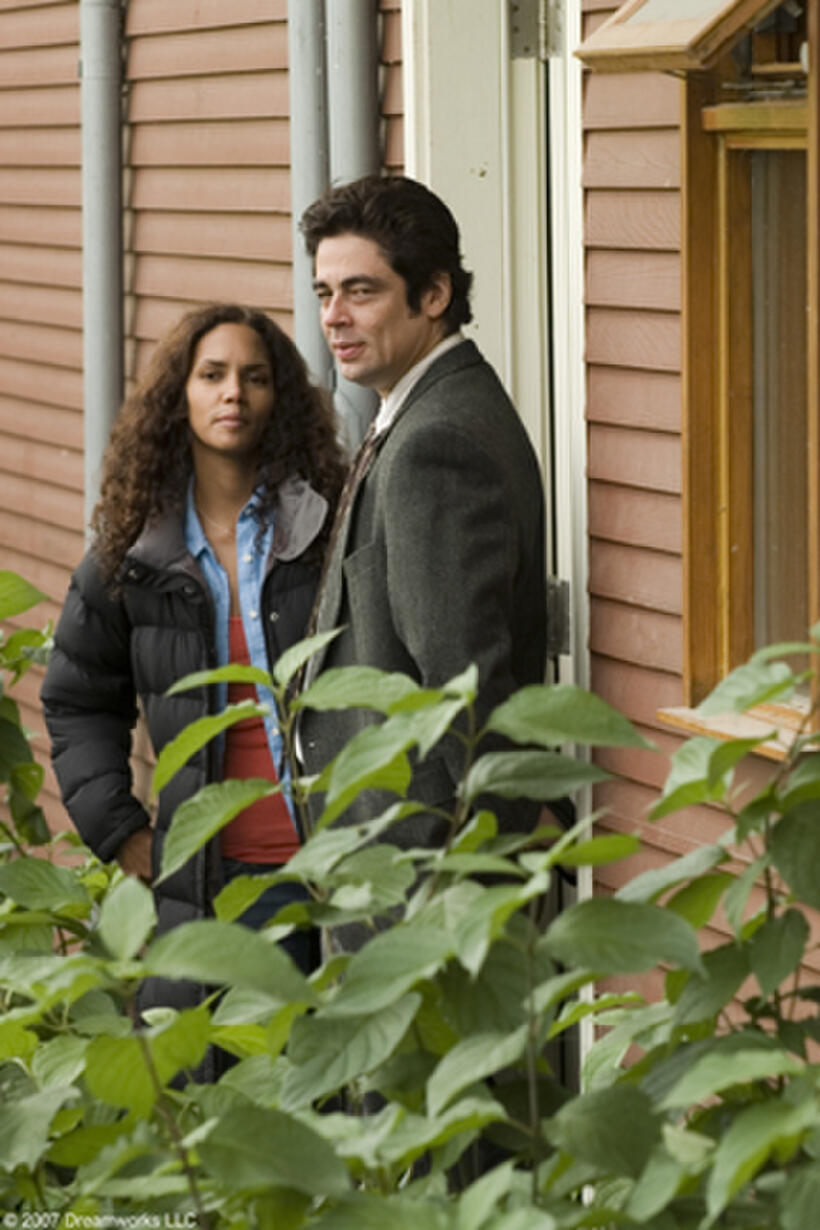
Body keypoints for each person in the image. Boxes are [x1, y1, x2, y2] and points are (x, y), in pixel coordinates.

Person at [41, 302, 346, 1073]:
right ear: (180, 395)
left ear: (280, 399)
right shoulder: (132, 555)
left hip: (327, 872)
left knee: (326, 1092)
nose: (233, 392)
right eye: (212, 375)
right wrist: (120, 831)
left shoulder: (322, 531)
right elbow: (77, 698)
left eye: (254, 377)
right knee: (216, 1096)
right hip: (207, 885)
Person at [298, 175, 562, 867]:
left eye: (361, 291)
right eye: (325, 293)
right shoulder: (421, 409)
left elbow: (460, 673)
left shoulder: (436, 444)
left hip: (426, 862)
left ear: (435, 294)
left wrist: (509, 824)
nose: (334, 317)